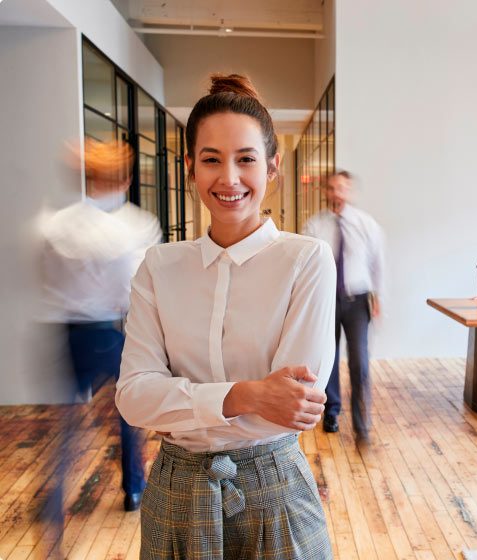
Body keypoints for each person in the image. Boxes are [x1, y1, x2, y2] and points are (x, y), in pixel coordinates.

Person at [116, 74, 335, 559]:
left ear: (273, 167)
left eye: (246, 160)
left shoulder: (306, 260)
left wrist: (182, 404)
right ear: (190, 168)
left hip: (275, 489)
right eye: (211, 160)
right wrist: (248, 394)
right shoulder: (159, 266)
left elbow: (296, 402)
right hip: (176, 492)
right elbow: (133, 397)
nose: (229, 178)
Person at [39, 139, 161, 515]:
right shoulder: (137, 227)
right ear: (125, 180)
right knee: (127, 414)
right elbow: (137, 287)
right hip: (112, 331)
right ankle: (134, 489)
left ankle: (56, 497)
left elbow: (46, 279)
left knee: (67, 425)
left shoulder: (56, 225)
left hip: (69, 332)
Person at [303, 171, 384, 447]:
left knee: (360, 362)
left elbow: (377, 263)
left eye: (342, 188)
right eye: (333, 188)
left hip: (358, 300)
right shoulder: (315, 225)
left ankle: (362, 426)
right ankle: (332, 412)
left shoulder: (365, 224)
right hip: (326, 301)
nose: (337, 193)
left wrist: (378, 297)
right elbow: (307, 267)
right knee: (329, 358)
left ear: (349, 192)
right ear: (326, 191)